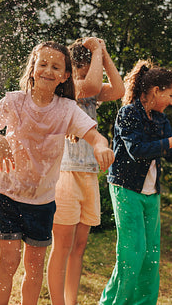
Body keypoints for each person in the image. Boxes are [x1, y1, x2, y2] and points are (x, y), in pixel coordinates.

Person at [0, 41, 115, 305]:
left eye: (56, 66)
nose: (48, 70)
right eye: (43, 64)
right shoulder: (15, 101)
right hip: (6, 193)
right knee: (9, 260)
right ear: (33, 68)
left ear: (65, 76)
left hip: (43, 200)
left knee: (34, 267)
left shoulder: (68, 109)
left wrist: (102, 146)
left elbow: (95, 136)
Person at [100, 59, 172, 305]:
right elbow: (137, 150)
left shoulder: (161, 119)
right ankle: (112, 302)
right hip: (126, 188)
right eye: (170, 95)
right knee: (132, 253)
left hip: (151, 192)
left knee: (151, 255)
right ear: (156, 91)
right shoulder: (128, 113)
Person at [47, 37, 124, 305]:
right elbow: (90, 84)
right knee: (63, 245)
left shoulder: (91, 93)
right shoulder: (66, 88)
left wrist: (103, 53)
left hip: (89, 174)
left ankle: (71, 301)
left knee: (79, 247)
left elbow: (118, 89)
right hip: (66, 172)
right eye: (83, 68)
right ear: (73, 69)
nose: (88, 74)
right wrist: (97, 51)